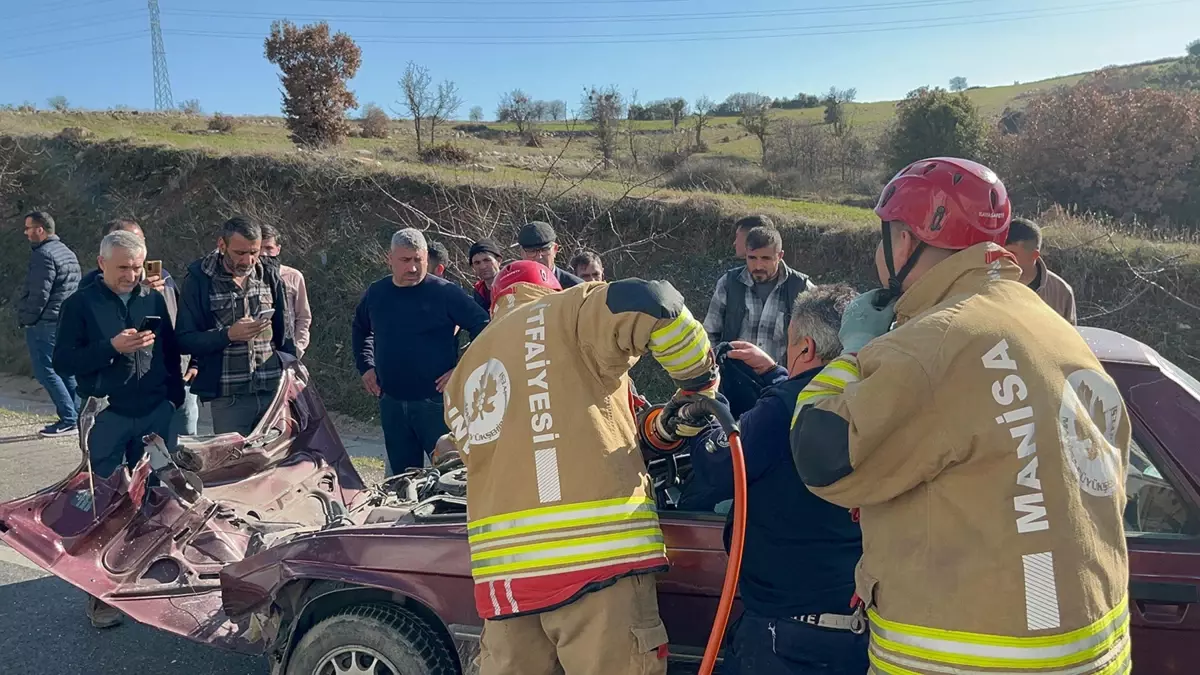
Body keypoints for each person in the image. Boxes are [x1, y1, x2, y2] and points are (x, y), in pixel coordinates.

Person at [790, 158, 1131, 675]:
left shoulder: (932, 342)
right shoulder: (1050, 325)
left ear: (905, 241)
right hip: (1095, 652)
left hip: (969, 659)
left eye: (882, 237)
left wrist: (853, 355)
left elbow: (819, 451)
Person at [440, 259, 718, 675]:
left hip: (507, 588)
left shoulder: (464, 373)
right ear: (549, 289)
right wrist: (699, 380)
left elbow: (585, 428)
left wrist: (667, 424)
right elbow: (655, 301)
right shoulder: (567, 312)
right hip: (596, 568)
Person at [704, 285, 867, 674]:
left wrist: (704, 407)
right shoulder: (877, 396)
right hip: (861, 634)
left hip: (785, 639)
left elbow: (719, 465)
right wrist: (775, 373)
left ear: (806, 348)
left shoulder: (782, 409)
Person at [52, 229, 184, 629]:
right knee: (105, 505)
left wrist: (173, 399)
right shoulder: (79, 304)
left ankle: (152, 579)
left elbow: (169, 350)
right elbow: (62, 362)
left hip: (156, 414)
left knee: (159, 497)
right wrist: (111, 347)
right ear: (101, 264)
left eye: (137, 266)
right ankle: (100, 594)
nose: (132, 274)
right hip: (108, 416)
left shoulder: (152, 296)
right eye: (123, 267)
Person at [353, 228, 489, 473]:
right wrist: (366, 366)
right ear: (390, 259)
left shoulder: (446, 292)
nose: (413, 268)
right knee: (403, 479)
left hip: (436, 403)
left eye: (419, 260)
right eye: (405, 260)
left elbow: (484, 326)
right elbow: (361, 329)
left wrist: (461, 370)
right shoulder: (377, 293)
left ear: (427, 258)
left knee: (452, 475)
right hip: (392, 402)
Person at [177, 216, 294, 437]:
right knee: (232, 468)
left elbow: (284, 333)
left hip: (272, 392)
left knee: (273, 467)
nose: (249, 261)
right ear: (222, 245)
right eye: (240, 253)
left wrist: (291, 374)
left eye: (254, 252)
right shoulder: (200, 280)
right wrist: (228, 335)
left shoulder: (269, 274)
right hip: (229, 398)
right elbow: (185, 339)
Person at [81, 218, 199, 437]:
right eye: (127, 240)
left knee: (182, 451)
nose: (135, 245)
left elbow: (182, 321)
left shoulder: (163, 277)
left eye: (139, 239)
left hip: (176, 379)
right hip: (123, 392)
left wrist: (194, 361)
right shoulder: (90, 287)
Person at [703, 226, 813, 417]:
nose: (758, 265)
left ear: (780, 255)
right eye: (752, 258)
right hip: (733, 386)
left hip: (780, 388)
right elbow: (709, 334)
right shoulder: (729, 284)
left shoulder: (802, 289)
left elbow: (817, 345)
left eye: (766, 258)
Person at [18, 210, 81, 437]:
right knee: (66, 370)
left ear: (40, 229)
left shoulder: (43, 255)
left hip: (45, 322)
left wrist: (27, 318)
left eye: (28, 228)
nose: (26, 233)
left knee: (46, 371)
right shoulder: (67, 252)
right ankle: (80, 416)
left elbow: (39, 294)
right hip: (65, 320)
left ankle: (68, 418)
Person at [1005, 217, 1077, 324]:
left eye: (1012, 254)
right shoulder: (989, 283)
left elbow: (1071, 337)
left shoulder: (1061, 292)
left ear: (1034, 255)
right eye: (1002, 251)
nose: (1004, 257)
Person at [260, 224, 313, 358]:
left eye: (268, 248)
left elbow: (303, 317)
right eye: (259, 248)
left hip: (287, 351)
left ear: (278, 249)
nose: (263, 253)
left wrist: (298, 347)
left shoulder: (293, 276)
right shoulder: (245, 278)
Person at [516, 221, 583, 289]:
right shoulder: (513, 288)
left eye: (544, 250)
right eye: (532, 251)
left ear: (555, 250)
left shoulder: (576, 288)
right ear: (522, 253)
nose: (539, 257)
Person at [469, 238, 503, 310]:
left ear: (499, 261)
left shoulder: (514, 285)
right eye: (477, 263)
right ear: (473, 267)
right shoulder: (478, 294)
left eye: (487, 260)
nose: (483, 266)